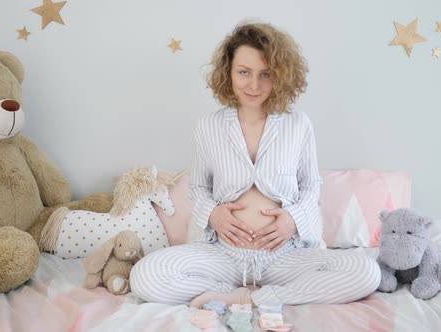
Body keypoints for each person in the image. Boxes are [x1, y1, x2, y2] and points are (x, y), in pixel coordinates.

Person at [130, 22, 380, 306]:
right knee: (145, 276)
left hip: (285, 254)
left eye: (266, 74)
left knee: (366, 272)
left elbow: (311, 185)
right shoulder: (208, 126)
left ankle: (258, 297)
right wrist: (214, 215)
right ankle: (227, 289)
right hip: (223, 253)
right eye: (244, 72)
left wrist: (292, 220)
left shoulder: (298, 124)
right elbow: (198, 187)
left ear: (281, 76)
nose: (254, 85)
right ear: (229, 73)